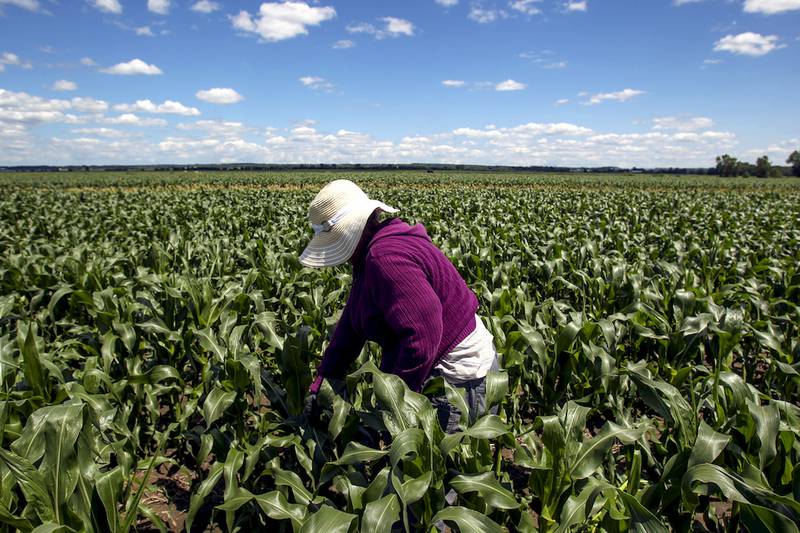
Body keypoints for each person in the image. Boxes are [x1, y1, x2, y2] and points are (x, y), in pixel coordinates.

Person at [300, 179, 499, 433]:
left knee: (435, 469)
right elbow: (350, 325)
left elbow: (423, 336)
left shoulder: (385, 258)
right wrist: (322, 381)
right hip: (451, 371)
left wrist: (395, 403)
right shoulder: (373, 252)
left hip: (455, 380)